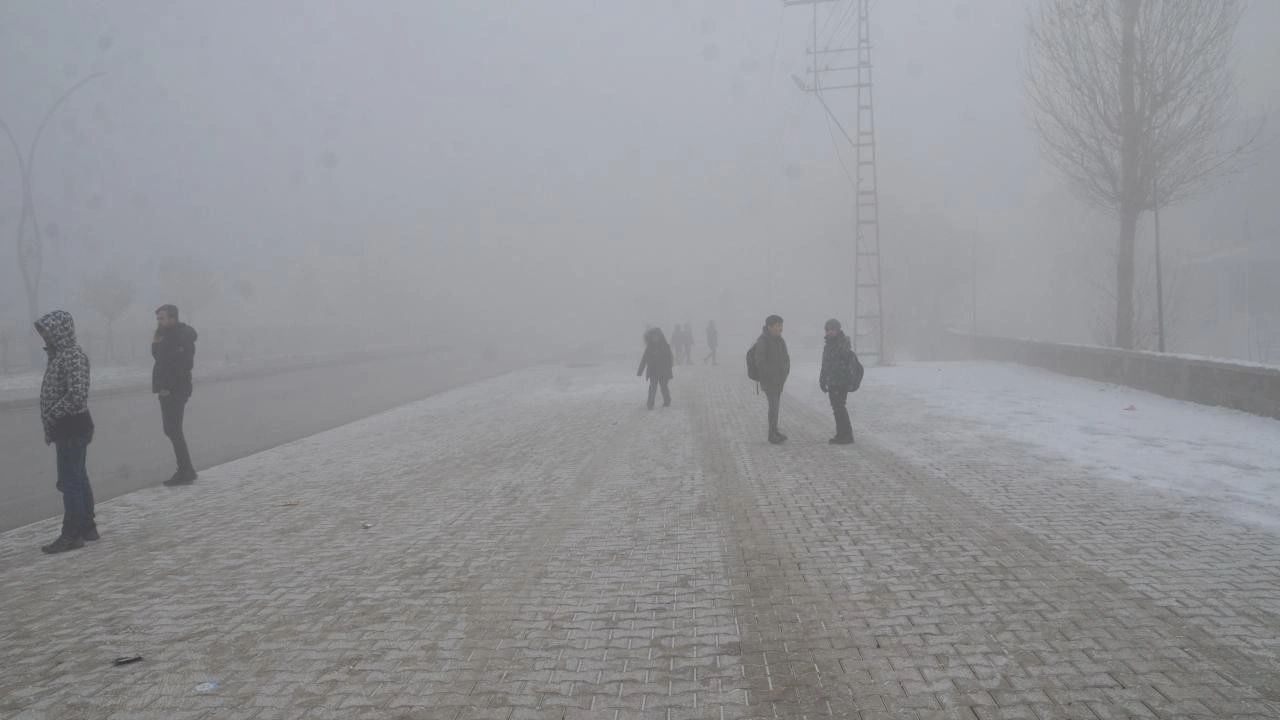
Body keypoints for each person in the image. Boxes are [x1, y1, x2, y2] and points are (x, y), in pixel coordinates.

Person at [34, 310, 96, 554]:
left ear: (60, 330)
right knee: (78, 478)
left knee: (70, 482)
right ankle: (88, 527)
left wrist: (52, 412)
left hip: (72, 427)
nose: (44, 336)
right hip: (67, 426)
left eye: (47, 330)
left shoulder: (72, 356)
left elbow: (77, 396)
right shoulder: (59, 355)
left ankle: (72, 534)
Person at [152, 304, 199, 486]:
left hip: (175, 389)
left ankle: (186, 470)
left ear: (173, 318)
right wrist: (156, 343)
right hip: (167, 388)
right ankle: (186, 469)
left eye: (162, 318)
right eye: (158, 318)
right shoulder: (165, 334)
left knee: (173, 429)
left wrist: (168, 388)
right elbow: (158, 357)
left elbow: (179, 365)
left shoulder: (181, 336)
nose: (159, 321)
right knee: (171, 429)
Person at [819, 318, 862, 444]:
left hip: (841, 382)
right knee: (836, 408)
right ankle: (840, 434)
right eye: (828, 329)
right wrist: (822, 380)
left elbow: (849, 365)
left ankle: (847, 435)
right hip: (832, 382)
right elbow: (825, 365)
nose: (830, 332)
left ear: (838, 330)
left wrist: (849, 381)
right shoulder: (828, 346)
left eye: (833, 329)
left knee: (840, 408)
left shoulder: (843, 345)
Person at [752, 314, 790, 443]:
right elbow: (760, 361)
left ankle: (775, 431)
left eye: (781, 325)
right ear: (769, 327)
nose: (781, 328)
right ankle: (771, 435)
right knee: (773, 407)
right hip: (769, 381)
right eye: (778, 326)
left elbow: (786, 358)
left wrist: (785, 372)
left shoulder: (780, 340)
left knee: (776, 407)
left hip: (779, 380)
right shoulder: (763, 341)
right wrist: (770, 375)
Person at [637, 327, 675, 409]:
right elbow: (644, 359)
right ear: (650, 338)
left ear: (660, 336)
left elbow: (669, 358)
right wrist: (640, 371)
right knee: (652, 388)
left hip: (663, 371)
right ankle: (650, 404)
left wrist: (668, 368)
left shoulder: (665, 346)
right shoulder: (649, 348)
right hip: (653, 372)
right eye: (653, 337)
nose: (655, 338)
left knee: (664, 387)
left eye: (656, 337)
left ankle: (667, 401)